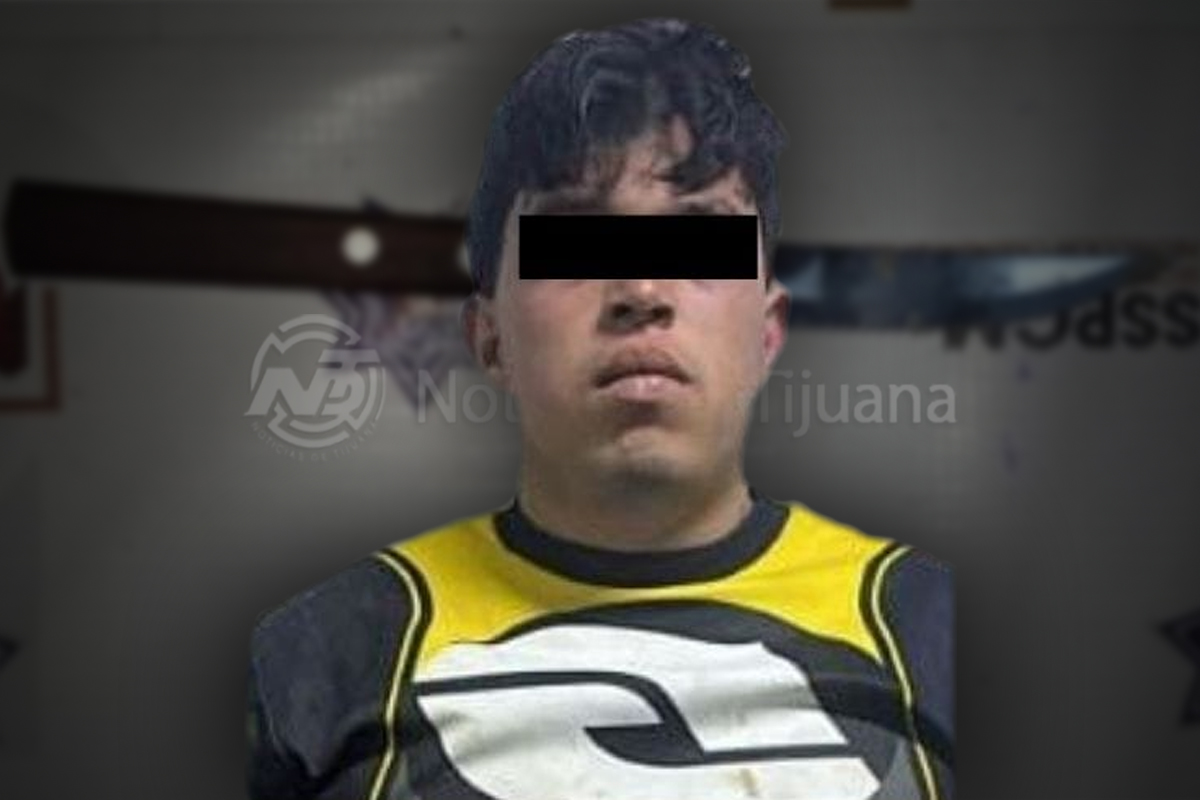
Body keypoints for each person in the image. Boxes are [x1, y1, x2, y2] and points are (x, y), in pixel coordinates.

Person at [247, 17, 953, 800]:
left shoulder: (936, 629)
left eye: (698, 237)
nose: (641, 291)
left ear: (766, 333)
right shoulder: (318, 658)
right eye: (576, 240)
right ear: (489, 339)